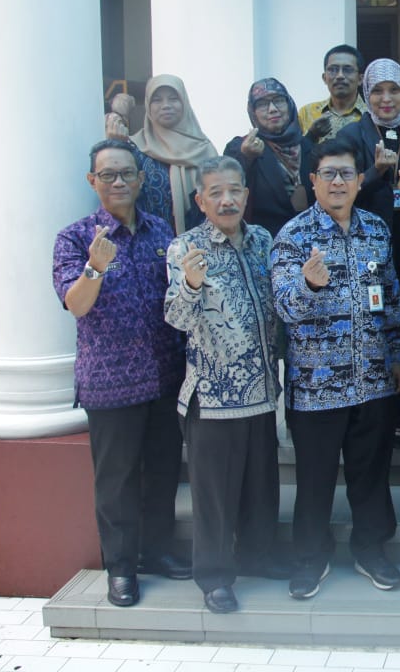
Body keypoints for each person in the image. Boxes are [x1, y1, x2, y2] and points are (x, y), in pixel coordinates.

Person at [51, 139, 189, 608]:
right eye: (107, 174)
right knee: (117, 481)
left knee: (164, 470)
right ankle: (122, 568)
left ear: (140, 178)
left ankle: (159, 551)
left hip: (164, 376)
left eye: (126, 173)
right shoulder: (75, 238)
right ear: (92, 181)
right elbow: (75, 305)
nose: (118, 182)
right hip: (111, 384)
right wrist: (95, 267)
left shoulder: (160, 233)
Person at [271, 138, 400, 599]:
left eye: (346, 174)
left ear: (359, 180)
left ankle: (370, 550)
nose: (337, 182)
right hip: (316, 387)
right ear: (312, 181)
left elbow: (390, 298)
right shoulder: (292, 237)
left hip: (372, 383)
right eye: (328, 174)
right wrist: (309, 286)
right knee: (314, 480)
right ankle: (311, 558)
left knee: (372, 477)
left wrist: (397, 354)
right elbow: (285, 309)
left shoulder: (375, 230)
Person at [163, 156, 284, 614]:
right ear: (200, 200)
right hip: (212, 399)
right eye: (215, 192)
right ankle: (214, 577)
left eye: (234, 190)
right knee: (214, 497)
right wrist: (192, 285)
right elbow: (175, 317)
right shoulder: (185, 249)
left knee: (261, 485)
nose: (227, 199)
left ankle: (259, 555)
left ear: (246, 196)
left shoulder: (263, 242)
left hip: (261, 391)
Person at [334, 59, 400, 447]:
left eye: (394, 90)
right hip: (364, 243)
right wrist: (375, 173)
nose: (387, 99)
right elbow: (339, 190)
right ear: (365, 93)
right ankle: (371, 412)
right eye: (377, 91)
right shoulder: (353, 134)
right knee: (370, 323)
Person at [124, 74, 216, 234]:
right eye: (157, 100)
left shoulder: (204, 149)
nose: (166, 105)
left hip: (200, 247)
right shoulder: (134, 148)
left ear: (184, 102)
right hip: (148, 245)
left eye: (173, 99)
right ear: (148, 105)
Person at [224, 78, 311, 237]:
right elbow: (227, 187)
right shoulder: (240, 147)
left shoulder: (307, 146)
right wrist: (246, 158)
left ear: (289, 105)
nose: (272, 109)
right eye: (263, 104)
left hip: (309, 244)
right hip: (263, 244)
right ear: (253, 111)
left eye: (278, 101)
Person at [298, 44, 368, 141]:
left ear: (360, 79)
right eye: (333, 70)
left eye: (347, 70)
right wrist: (311, 135)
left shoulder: (371, 116)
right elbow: (295, 152)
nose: (340, 76)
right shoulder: (306, 112)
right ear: (324, 78)